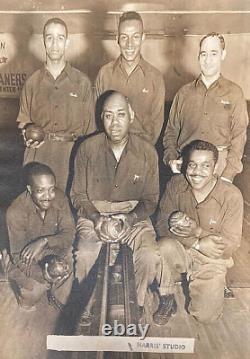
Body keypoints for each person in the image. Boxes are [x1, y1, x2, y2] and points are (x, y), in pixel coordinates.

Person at [71, 91, 160, 321]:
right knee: (84, 254)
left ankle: (137, 302)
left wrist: (129, 219)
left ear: (131, 115)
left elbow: (150, 199)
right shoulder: (86, 149)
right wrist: (96, 218)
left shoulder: (147, 152)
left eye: (121, 114)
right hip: (95, 212)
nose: (115, 122)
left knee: (150, 254)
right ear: (102, 118)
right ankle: (85, 306)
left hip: (133, 214)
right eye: (109, 116)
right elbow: (78, 195)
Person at [153, 140, 243, 325]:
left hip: (212, 258)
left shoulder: (231, 195)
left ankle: (213, 283)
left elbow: (231, 245)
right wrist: (197, 242)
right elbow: (161, 225)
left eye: (205, 166)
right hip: (182, 249)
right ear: (185, 164)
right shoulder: (176, 184)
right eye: (192, 164)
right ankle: (167, 296)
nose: (196, 171)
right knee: (162, 246)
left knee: (205, 316)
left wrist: (198, 231)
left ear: (216, 167)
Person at [17, 17, 95, 191]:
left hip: (71, 157)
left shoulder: (82, 82)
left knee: (69, 211)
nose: (54, 44)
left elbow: (90, 132)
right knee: (37, 212)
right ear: (43, 41)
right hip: (38, 156)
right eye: (49, 37)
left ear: (67, 42)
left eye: (60, 38)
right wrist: (25, 135)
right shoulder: (32, 83)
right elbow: (23, 124)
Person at [163, 32, 248, 183]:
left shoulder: (235, 93)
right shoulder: (183, 93)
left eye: (213, 54)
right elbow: (170, 133)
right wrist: (171, 160)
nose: (208, 60)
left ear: (223, 54)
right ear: (198, 57)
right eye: (203, 54)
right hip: (187, 168)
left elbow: (239, 138)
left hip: (219, 170)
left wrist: (227, 176)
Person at [6, 163, 75, 310]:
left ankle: (57, 293)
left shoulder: (61, 198)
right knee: (31, 295)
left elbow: (69, 234)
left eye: (51, 189)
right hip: (25, 257)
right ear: (30, 189)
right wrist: (44, 275)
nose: (48, 196)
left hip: (53, 249)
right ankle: (7, 267)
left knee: (76, 259)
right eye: (40, 191)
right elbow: (18, 255)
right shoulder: (15, 211)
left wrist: (44, 241)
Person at [95, 11, 165, 145]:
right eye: (124, 37)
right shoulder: (104, 74)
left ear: (143, 38)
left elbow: (156, 125)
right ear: (117, 38)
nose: (129, 44)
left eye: (135, 37)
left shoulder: (155, 77)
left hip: (142, 150)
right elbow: (97, 120)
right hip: (108, 149)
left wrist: (141, 153)